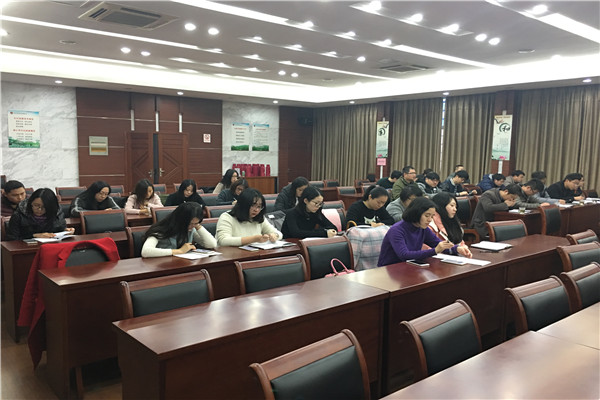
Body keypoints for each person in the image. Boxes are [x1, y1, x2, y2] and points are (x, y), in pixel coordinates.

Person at [377, 197, 471, 266]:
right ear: (416, 213)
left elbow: (438, 244)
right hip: (389, 270)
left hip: (410, 267)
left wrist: (457, 249)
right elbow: (404, 255)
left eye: (432, 216)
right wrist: (435, 251)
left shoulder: (423, 228)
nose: (430, 220)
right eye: (427, 215)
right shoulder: (397, 230)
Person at [141, 202, 216, 258]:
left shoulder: (191, 229)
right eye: (189, 223)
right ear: (180, 220)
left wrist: (197, 226)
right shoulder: (161, 229)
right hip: (161, 266)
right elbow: (145, 251)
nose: (192, 226)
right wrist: (179, 251)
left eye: (196, 223)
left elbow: (211, 244)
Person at [216, 188, 282, 246]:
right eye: (253, 205)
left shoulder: (259, 218)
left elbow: (279, 234)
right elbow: (223, 241)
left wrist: (275, 236)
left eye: (259, 207)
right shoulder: (227, 217)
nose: (256, 210)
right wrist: (254, 239)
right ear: (243, 205)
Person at [6, 188, 74, 240]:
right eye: (36, 205)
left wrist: (66, 231)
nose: (39, 210)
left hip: (51, 246)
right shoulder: (18, 215)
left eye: (44, 207)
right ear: (30, 203)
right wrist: (34, 235)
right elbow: (12, 239)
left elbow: (59, 230)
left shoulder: (57, 213)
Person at [429, 193, 472, 257]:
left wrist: (463, 249)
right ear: (441, 206)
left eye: (455, 206)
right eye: (452, 206)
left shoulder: (453, 221)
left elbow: (459, 242)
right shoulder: (430, 225)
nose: (455, 209)